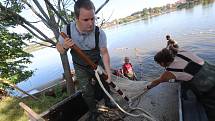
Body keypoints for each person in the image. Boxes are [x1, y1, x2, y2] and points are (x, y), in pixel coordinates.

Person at [56, 0, 115, 120]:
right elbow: (60, 49)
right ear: (76, 18)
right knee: (86, 91)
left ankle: (108, 101)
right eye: (86, 20)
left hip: (97, 63)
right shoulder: (67, 30)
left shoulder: (99, 33)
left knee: (105, 83)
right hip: (80, 67)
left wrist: (108, 72)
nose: (91, 23)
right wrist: (65, 46)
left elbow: (104, 52)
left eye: (93, 18)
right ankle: (94, 111)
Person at [145, 48, 215, 121]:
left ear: (162, 63)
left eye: (158, 63)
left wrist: (148, 87)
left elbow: (158, 81)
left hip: (208, 86)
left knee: (211, 106)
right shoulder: (181, 51)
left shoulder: (170, 72)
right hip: (211, 70)